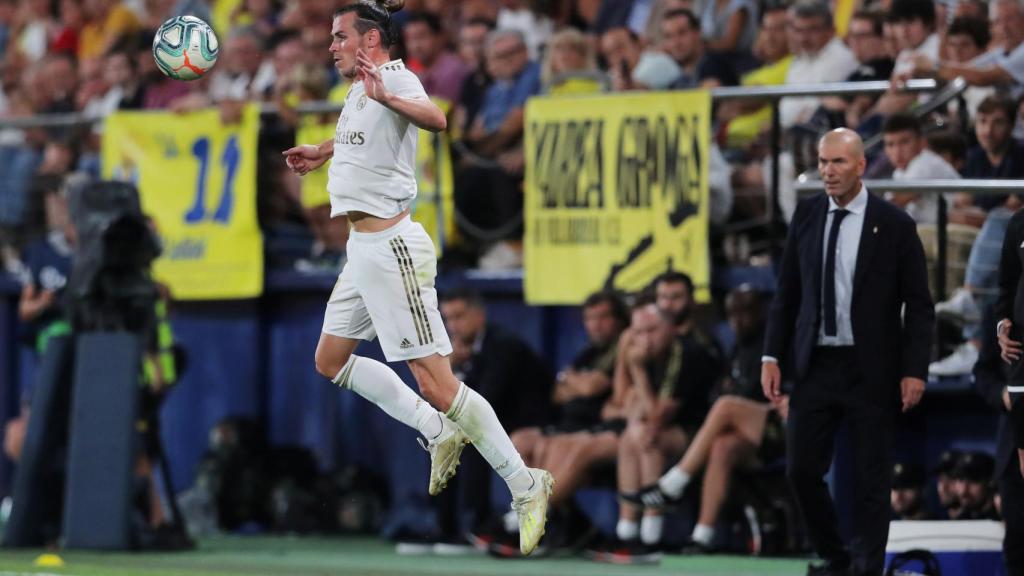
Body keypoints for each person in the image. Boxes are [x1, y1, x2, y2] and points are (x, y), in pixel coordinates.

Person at [280, 1, 552, 556]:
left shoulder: (395, 76)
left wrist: (388, 93)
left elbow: (436, 120)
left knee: (438, 382)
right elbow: (364, 137)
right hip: (361, 250)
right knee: (330, 360)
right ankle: (435, 429)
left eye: (340, 36)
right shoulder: (359, 89)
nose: (330, 45)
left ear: (371, 40)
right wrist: (322, 151)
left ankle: (525, 484)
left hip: (393, 248)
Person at [762, 128, 934, 576]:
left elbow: (919, 305)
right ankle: (837, 557)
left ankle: (868, 567)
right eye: (822, 162)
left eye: (837, 162)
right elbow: (787, 293)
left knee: (872, 480)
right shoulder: (806, 215)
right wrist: (770, 356)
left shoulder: (894, 224)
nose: (827, 171)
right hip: (815, 364)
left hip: (871, 368)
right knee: (800, 470)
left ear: (861, 165)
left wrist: (915, 369)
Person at [632, 287, 787, 553]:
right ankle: (703, 535)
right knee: (722, 446)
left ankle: (674, 483)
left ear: (761, 312)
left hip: (787, 427)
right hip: (754, 434)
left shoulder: (772, 344)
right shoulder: (740, 346)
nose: (738, 319)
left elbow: (758, 394)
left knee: (726, 406)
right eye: (732, 313)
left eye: (746, 312)